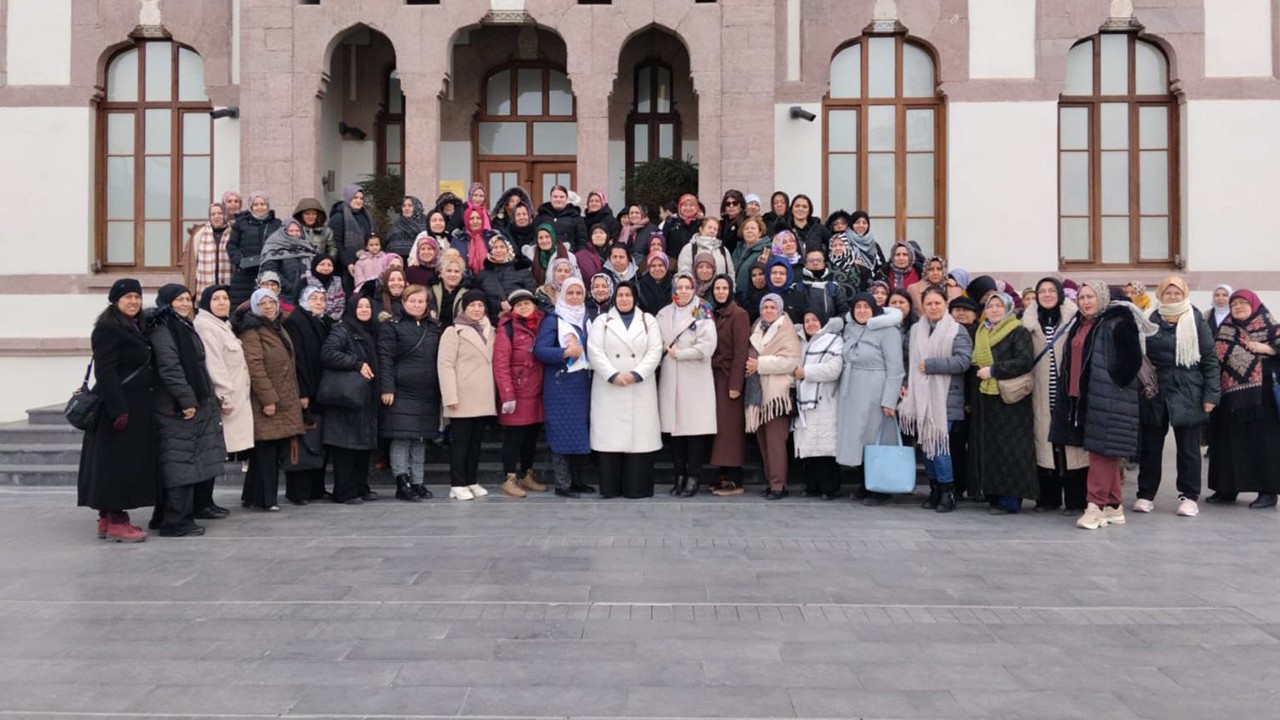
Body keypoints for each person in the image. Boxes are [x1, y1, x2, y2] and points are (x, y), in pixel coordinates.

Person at [1050, 282, 1147, 530]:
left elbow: (1132, 359)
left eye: (1090, 296)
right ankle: (1113, 506)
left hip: (1109, 398)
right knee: (1105, 452)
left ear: (1102, 297)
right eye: (1082, 297)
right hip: (1083, 397)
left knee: (1100, 453)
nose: (1085, 301)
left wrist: (1113, 384)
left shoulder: (1118, 320)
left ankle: (1094, 507)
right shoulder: (1081, 323)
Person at [78, 279, 157, 543]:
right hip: (117, 409)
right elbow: (106, 371)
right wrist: (118, 410)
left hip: (133, 406)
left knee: (113, 463)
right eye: (128, 297)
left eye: (137, 296)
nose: (134, 301)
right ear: (115, 300)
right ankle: (118, 521)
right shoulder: (108, 328)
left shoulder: (134, 325)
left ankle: (106, 517)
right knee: (118, 466)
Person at [145, 284, 227, 537]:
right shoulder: (163, 327)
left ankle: (164, 516)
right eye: (178, 300)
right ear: (166, 302)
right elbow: (170, 367)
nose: (184, 304)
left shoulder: (181, 324)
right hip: (174, 407)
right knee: (179, 463)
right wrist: (187, 400)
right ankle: (176, 521)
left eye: (187, 299)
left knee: (184, 459)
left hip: (188, 403)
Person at [1135, 276, 1220, 517]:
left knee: (1188, 449)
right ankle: (1145, 494)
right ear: (1160, 295)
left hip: (1188, 390)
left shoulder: (1196, 320)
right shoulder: (1150, 319)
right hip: (1155, 391)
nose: (1172, 297)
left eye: (1177, 293)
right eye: (1168, 293)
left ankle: (1189, 497)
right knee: (1150, 447)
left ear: (1184, 295)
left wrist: (1211, 396)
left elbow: (1210, 361)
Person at [899, 286, 973, 512]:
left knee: (939, 447)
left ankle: (947, 492)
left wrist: (932, 365)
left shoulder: (957, 330)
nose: (933, 307)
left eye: (937, 303)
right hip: (920, 397)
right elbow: (908, 361)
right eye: (929, 303)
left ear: (945, 304)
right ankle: (934, 489)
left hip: (946, 398)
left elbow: (963, 361)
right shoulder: (915, 330)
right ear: (922, 306)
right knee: (926, 446)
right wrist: (905, 383)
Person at [588, 281, 665, 498]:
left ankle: (637, 487)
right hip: (609, 386)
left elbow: (655, 351)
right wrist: (612, 374)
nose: (624, 299)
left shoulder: (648, 320)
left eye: (628, 295)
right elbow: (594, 351)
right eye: (620, 295)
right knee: (610, 439)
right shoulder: (602, 321)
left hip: (639, 386)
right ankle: (610, 487)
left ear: (635, 297)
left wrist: (637, 374)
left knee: (639, 440)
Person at [1206, 289, 1280, 508]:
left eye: (1243, 303)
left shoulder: (1271, 326)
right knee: (1227, 444)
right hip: (1230, 397)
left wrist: (1268, 349)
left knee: (1263, 444)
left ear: (1254, 304)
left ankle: (1268, 492)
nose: (1238, 307)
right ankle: (1226, 488)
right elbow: (1214, 359)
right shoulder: (1225, 329)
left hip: (1262, 398)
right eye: (1234, 304)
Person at [234, 287, 304, 511]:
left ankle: (252, 495)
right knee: (266, 450)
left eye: (271, 302)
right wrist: (268, 400)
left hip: (282, 395)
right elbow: (255, 367)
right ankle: (267, 499)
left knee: (267, 449)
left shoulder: (276, 326)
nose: (268, 307)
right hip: (265, 400)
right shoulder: (252, 330)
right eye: (262, 303)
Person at [1023, 277, 1089, 513]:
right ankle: (1048, 499)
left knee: (1072, 448)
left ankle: (1076, 500)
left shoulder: (1075, 320)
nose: (1047, 294)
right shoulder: (1028, 323)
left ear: (1060, 294)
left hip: (1069, 394)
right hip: (1040, 394)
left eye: (1052, 290)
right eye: (1042, 291)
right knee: (1045, 446)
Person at [971, 292, 1038, 514]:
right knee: (991, 449)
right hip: (987, 397)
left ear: (1008, 308)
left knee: (1011, 449)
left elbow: (1024, 361)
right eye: (991, 306)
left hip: (1011, 400)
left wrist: (994, 370)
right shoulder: (982, 331)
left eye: (999, 305)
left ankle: (1010, 500)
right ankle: (992, 494)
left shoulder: (1017, 331)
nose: (994, 310)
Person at [834, 294, 904, 502]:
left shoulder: (888, 330)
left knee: (876, 437)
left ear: (874, 309)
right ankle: (864, 483)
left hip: (876, 388)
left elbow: (896, 368)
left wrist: (889, 400)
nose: (862, 311)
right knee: (858, 438)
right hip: (852, 389)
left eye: (866, 307)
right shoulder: (850, 328)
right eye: (858, 307)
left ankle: (880, 488)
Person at [378, 284, 443, 502]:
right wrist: (387, 388)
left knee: (420, 438)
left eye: (421, 301)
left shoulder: (434, 327)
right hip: (401, 391)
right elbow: (385, 358)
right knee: (401, 438)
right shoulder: (391, 326)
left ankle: (418, 482)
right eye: (412, 301)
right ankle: (402, 483)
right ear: (403, 303)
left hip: (427, 392)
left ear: (427, 304)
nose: (417, 305)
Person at [657, 274, 719, 497]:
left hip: (695, 377)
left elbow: (707, 347)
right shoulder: (663, 313)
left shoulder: (702, 310)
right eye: (679, 287)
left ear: (693, 289)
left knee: (694, 431)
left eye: (687, 287)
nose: (683, 291)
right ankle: (679, 476)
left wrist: (681, 354)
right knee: (675, 432)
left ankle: (693, 477)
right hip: (671, 375)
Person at [533, 277, 594, 497]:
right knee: (561, 433)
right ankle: (562, 483)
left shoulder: (588, 317)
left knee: (580, 433)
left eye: (578, 293)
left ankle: (577, 480)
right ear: (562, 295)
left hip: (583, 384)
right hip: (561, 386)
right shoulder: (554, 320)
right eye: (570, 293)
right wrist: (565, 352)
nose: (575, 297)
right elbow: (540, 350)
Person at [193, 284, 249, 516]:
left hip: (233, 398)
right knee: (211, 452)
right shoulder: (206, 327)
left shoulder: (222, 325)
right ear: (207, 302)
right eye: (216, 298)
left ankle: (207, 501)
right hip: (222, 401)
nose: (222, 302)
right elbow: (214, 365)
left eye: (225, 298)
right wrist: (225, 397)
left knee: (217, 453)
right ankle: (202, 503)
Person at [320, 289, 381, 504]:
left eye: (367, 306)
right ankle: (344, 491)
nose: (364, 310)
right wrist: (355, 363)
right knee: (345, 447)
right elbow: (328, 353)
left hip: (365, 396)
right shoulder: (342, 329)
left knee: (362, 446)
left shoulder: (371, 329)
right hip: (347, 398)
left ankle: (360, 487)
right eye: (360, 306)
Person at [438, 289, 496, 499]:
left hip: (484, 395)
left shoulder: (491, 330)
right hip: (462, 396)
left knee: (475, 443)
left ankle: (471, 480)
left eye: (480, 305)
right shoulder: (453, 331)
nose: (476, 309)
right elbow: (445, 364)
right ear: (464, 308)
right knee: (460, 442)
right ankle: (457, 483)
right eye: (472, 305)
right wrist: (450, 396)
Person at [493, 289, 549, 498]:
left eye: (527, 303)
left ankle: (527, 474)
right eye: (519, 305)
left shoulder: (543, 324)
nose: (524, 307)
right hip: (517, 391)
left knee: (531, 436)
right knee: (515, 437)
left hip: (538, 391)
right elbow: (500, 364)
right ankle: (509, 478)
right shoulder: (507, 329)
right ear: (513, 309)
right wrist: (507, 394)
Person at [746, 294, 801, 499]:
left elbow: (790, 361)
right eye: (765, 307)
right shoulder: (757, 327)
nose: (768, 311)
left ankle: (779, 485)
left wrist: (759, 364)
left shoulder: (786, 328)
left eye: (772, 307)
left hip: (777, 394)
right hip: (758, 392)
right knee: (763, 442)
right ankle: (772, 482)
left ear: (779, 309)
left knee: (775, 443)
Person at [281, 285, 332, 503]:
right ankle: (298, 492)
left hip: (319, 389)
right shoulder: (296, 321)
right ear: (304, 300)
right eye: (314, 299)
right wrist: (302, 392)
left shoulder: (321, 321)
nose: (319, 302)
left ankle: (316, 488)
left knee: (316, 441)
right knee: (301, 444)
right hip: (305, 391)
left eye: (322, 299)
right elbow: (297, 360)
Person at [793, 307, 844, 500]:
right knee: (808, 448)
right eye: (807, 321)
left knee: (825, 448)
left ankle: (829, 488)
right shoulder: (801, 342)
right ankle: (811, 486)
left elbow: (834, 369)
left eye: (814, 320)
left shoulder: (833, 340)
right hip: (804, 401)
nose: (811, 324)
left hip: (825, 399)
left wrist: (806, 372)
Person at [707, 275, 751, 496]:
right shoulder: (711, 313)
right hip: (714, 376)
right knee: (720, 428)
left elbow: (741, 351)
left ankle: (734, 479)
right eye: (717, 288)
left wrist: (736, 384)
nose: (721, 292)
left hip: (729, 378)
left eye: (725, 288)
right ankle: (723, 475)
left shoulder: (739, 314)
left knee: (730, 430)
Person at [948, 295, 981, 499]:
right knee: (955, 445)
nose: (961, 313)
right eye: (956, 309)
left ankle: (977, 487)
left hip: (977, 396)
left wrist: (970, 399)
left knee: (976, 445)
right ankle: (958, 485)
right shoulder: (947, 333)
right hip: (953, 397)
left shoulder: (981, 333)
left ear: (975, 314)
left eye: (966, 310)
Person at [226, 191, 282, 306]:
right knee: (242, 307)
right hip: (244, 275)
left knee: (266, 305)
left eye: (262, 204)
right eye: (256, 205)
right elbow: (231, 246)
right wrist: (240, 261)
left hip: (268, 274)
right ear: (251, 207)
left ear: (267, 205)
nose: (259, 207)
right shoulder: (241, 223)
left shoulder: (277, 224)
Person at [477, 234, 535, 322]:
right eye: (495, 247)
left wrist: (513, 304)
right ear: (490, 250)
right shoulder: (483, 275)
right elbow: (480, 300)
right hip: (493, 321)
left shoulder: (521, 270)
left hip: (520, 321)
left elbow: (531, 296)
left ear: (508, 249)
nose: (499, 250)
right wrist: (498, 305)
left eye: (502, 247)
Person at [258, 218, 316, 304]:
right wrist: (289, 287)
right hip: (285, 295)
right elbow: (270, 270)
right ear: (283, 231)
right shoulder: (274, 246)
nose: (295, 233)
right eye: (291, 231)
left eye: (297, 231)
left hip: (309, 295)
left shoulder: (308, 246)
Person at [329, 184, 373, 284]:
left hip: (364, 264)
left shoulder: (366, 216)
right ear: (348, 197)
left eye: (361, 198)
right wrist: (348, 263)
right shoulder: (338, 217)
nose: (359, 201)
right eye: (355, 197)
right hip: (344, 267)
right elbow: (336, 243)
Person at [194, 202, 232, 297]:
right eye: (213, 214)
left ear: (225, 215)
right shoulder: (200, 233)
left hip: (228, 283)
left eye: (220, 213)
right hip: (205, 283)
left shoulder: (232, 233)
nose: (216, 216)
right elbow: (193, 258)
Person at [799, 249, 850, 320]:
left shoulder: (834, 288)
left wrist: (834, 323)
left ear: (824, 263)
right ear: (805, 264)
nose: (815, 263)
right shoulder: (797, 288)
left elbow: (843, 311)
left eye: (819, 260)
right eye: (811, 260)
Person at [535, 185, 588, 251]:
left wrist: (578, 255)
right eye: (555, 197)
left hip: (569, 255)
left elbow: (582, 240)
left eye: (562, 197)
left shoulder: (575, 217)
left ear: (567, 199)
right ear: (550, 198)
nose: (558, 199)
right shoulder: (541, 217)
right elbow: (534, 238)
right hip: (544, 255)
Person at [431, 250, 470, 327]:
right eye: (449, 271)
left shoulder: (468, 293)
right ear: (441, 273)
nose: (452, 275)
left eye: (456, 271)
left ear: (461, 275)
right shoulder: (431, 291)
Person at [731, 216, 771, 292]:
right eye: (746, 229)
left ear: (760, 232)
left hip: (754, 294)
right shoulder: (737, 250)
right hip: (736, 293)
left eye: (753, 228)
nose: (749, 231)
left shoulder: (766, 250)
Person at [304, 254, 346, 321]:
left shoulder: (337, 282)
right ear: (315, 265)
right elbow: (299, 303)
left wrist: (329, 319)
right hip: (308, 319)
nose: (326, 268)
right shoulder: (305, 281)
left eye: (329, 265)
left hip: (332, 320)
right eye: (322, 264)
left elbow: (341, 303)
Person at [293, 197, 336, 261]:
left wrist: (327, 261)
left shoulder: (326, 231)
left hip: (319, 265)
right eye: (306, 214)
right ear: (300, 215)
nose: (310, 216)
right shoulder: (295, 230)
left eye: (314, 214)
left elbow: (332, 249)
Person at [661, 193, 702, 261]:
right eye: (684, 205)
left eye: (691, 205)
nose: (688, 208)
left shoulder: (700, 223)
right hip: (674, 262)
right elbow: (663, 242)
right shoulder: (671, 221)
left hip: (696, 262)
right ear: (679, 206)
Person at [386, 196, 427, 260]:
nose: (406, 208)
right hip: (398, 260)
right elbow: (390, 244)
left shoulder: (425, 223)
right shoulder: (397, 224)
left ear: (417, 207)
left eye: (410, 205)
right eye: (404, 206)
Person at [637, 250, 674, 316]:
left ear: (666, 266)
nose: (657, 269)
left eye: (660, 265)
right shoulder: (640, 285)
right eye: (653, 266)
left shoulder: (675, 283)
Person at [718, 189, 746, 254]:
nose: (731, 206)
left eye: (734, 203)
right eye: (728, 204)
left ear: (741, 205)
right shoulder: (721, 224)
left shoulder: (746, 223)